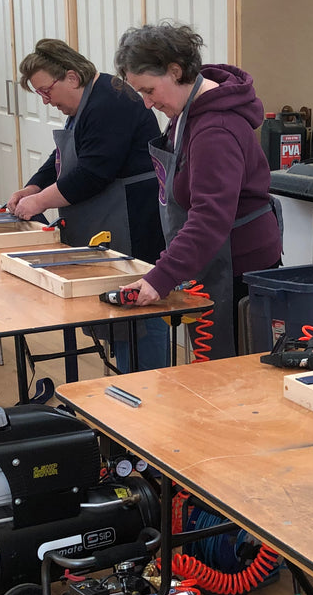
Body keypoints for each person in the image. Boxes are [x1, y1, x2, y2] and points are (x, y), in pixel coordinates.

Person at [111, 23, 282, 359]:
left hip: (236, 270)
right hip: (210, 262)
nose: (146, 104)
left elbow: (209, 218)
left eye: (149, 90)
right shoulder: (185, 113)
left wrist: (160, 278)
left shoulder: (215, 128)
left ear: (175, 71)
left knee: (232, 374)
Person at [9, 39, 169, 370]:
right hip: (110, 218)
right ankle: (124, 393)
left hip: (133, 220)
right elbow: (65, 156)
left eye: (46, 91)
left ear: (71, 76)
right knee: (117, 316)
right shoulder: (85, 103)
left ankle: (147, 394)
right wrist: (33, 186)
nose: (46, 101)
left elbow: (92, 174)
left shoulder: (110, 102)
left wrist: (39, 201)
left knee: (138, 313)